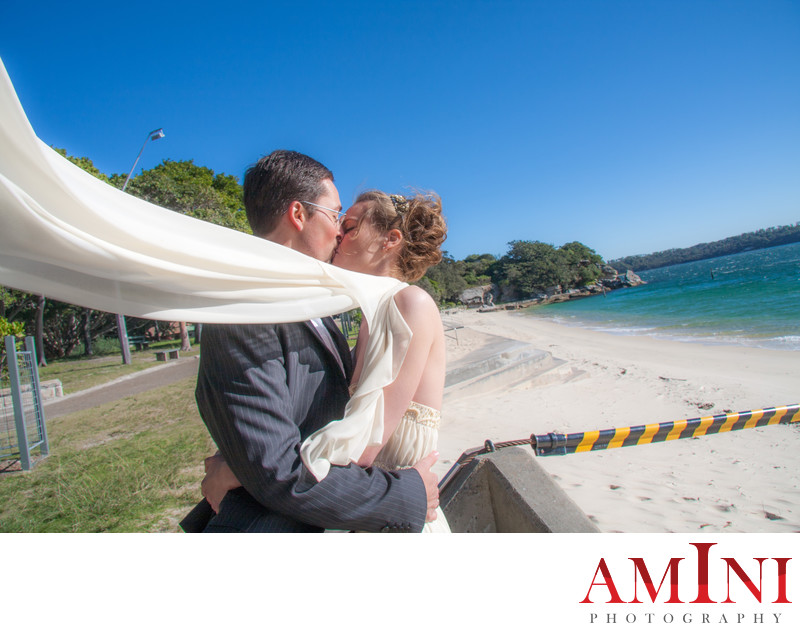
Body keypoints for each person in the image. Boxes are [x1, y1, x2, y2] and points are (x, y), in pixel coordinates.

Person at [185, 150, 440, 533]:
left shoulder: (393, 306)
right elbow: (276, 447)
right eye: (336, 217)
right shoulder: (250, 311)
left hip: (376, 504)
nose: (339, 231)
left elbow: (351, 439)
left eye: (348, 224)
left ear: (391, 241)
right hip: (348, 507)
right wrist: (243, 464)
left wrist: (236, 470)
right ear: (298, 215)